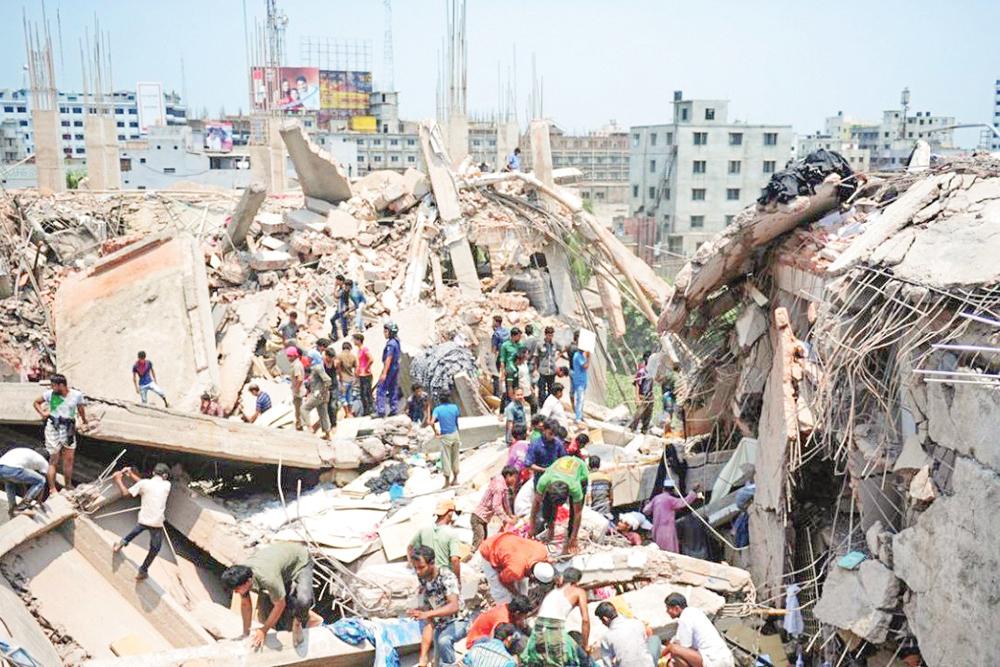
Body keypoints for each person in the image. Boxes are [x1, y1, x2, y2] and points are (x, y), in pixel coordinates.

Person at [221, 543, 319, 648]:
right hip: (279, 565)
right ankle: (284, 624)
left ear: (249, 581)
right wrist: (246, 633)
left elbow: (280, 605)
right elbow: (245, 604)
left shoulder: (268, 579)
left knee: (304, 600)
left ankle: (298, 623)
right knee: (277, 601)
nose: (235, 592)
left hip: (300, 560)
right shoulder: (241, 574)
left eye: (237, 589)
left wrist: (264, 630)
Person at [409, 544, 469, 667]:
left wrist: (427, 613)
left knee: (443, 641)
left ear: (432, 563)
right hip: (440, 625)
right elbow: (428, 623)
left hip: (459, 621)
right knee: (437, 663)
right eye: (416, 568)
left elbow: (454, 606)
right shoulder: (424, 580)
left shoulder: (446, 577)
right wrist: (423, 657)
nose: (418, 571)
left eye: (421, 567)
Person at [112, 463, 171, 581]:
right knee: (155, 548)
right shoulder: (167, 485)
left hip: (144, 519)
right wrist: (132, 475)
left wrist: (118, 480)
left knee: (137, 529)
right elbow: (146, 485)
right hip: (156, 522)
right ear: (165, 476)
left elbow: (127, 493)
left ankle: (121, 544)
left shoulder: (144, 484)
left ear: (153, 473)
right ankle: (143, 570)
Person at [33, 374, 88, 493]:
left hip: (68, 428)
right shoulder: (50, 394)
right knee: (54, 459)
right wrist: (43, 413)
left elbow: (80, 409)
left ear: (61, 385)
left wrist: (84, 420)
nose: (52, 388)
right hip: (53, 428)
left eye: (54, 386)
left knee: (69, 459)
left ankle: (68, 485)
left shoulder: (76, 395)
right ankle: (52, 489)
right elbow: (36, 402)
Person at [530, 568, 590, 663]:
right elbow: (585, 620)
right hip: (554, 633)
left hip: (537, 634)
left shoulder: (552, 593)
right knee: (585, 660)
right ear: (577, 581)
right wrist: (586, 645)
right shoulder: (578, 591)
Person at [531, 455, 588, 554]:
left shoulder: (575, 487)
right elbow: (536, 502)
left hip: (580, 469)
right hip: (560, 464)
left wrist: (574, 538)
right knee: (547, 506)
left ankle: (570, 537)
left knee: (573, 513)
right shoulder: (544, 481)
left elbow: (578, 513)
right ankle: (550, 529)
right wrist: (532, 525)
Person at [663, 593, 735, 667]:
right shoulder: (695, 612)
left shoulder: (685, 617)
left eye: (668, 608)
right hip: (726, 658)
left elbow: (682, 647)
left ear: (676, 609)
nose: (667, 611)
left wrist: (661, 656)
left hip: (713, 660)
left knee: (674, 650)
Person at [478, 532, 551, 604]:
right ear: (533, 575)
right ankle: (505, 609)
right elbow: (503, 580)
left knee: (522, 582)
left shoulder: (542, 551)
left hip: (508, 542)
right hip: (489, 548)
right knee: (502, 593)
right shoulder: (516, 570)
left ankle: (523, 603)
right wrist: (517, 595)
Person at [408, 499, 463, 579]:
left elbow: (410, 548)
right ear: (450, 513)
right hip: (444, 576)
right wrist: (457, 579)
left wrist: (415, 566)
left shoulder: (424, 529)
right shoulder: (452, 534)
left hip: (427, 575)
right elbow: (454, 559)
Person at [595, 601, 660, 667]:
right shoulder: (637, 623)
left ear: (605, 619)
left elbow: (607, 664)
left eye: (601, 621)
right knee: (655, 639)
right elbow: (645, 643)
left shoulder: (606, 638)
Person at [643, 479, 699, 553]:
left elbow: (645, 511)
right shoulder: (670, 500)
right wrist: (693, 491)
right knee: (670, 551)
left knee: (659, 550)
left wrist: (648, 504)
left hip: (656, 530)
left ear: (663, 488)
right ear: (673, 490)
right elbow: (684, 502)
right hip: (667, 530)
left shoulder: (656, 498)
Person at [471, 465, 519, 549]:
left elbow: (505, 502)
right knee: (479, 542)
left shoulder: (502, 484)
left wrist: (510, 514)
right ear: (508, 476)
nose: (515, 480)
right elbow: (496, 506)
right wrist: (508, 520)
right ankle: (469, 559)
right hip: (479, 518)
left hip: (483, 518)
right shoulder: (499, 487)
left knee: (483, 542)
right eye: (514, 477)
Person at [465, 595, 532, 648]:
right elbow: (495, 641)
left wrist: (525, 627)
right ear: (517, 613)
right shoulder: (502, 620)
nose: (524, 618)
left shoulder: (507, 607)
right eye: (524, 615)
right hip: (476, 643)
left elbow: (523, 626)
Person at [0, 447, 48, 517]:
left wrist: (25, 495)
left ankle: (12, 508)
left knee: (10, 482)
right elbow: (42, 485)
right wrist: (39, 502)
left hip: (2, 468)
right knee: (41, 480)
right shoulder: (44, 463)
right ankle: (20, 509)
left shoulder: (27, 454)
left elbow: (22, 480)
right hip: (12, 469)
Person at [524, 419, 566, 486]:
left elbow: (564, 459)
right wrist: (544, 470)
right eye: (550, 434)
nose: (553, 437)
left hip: (555, 479)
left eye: (555, 434)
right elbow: (528, 464)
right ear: (544, 430)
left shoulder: (558, 443)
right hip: (540, 479)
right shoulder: (535, 444)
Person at [432, 394, 462, 486]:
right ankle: (455, 479)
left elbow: (431, 421)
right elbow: (456, 421)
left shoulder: (437, 409)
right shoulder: (454, 407)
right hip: (455, 434)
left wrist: (435, 431)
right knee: (455, 457)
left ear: (440, 400)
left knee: (446, 458)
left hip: (445, 436)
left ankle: (447, 481)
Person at [304, 352, 334, 439]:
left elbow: (328, 380)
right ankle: (328, 434)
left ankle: (309, 428)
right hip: (321, 395)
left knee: (304, 408)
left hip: (319, 395)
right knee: (323, 414)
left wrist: (322, 391)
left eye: (309, 358)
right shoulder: (316, 367)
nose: (308, 359)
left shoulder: (317, 368)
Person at [376, 322, 402, 417]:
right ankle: (394, 409)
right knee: (393, 388)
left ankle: (381, 411)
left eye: (386, 331)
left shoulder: (390, 344)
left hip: (390, 368)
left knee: (381, 388)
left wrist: (384, 373)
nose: (384, 333)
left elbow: (388, 358)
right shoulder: (397, 341)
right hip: (395, 367)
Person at [498, 327, 524, 411]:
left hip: (517, 370)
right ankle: (503, 410)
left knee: (516, 390)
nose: (520, 338)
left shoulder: (519, 345)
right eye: (518, 336)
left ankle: (515, 408)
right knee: (508, 391)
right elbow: (502, 360)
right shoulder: (505, 345)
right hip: (509, 370)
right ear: (513, 336)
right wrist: (502, 372)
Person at [629, 351, 655, 434]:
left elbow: (651, 383)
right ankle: (632, 429)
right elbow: (637, 384)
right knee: (639, 413)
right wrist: (637, 397)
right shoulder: (642, 372)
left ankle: (644, 430)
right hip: (642, 395)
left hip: (649, 396)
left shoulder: (652, 371)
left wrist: (652, 394)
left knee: (648, 414)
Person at [536, 327, 559, 404]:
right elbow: (536, 356)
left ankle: (549, 406)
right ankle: (541, 405)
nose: (550, 337)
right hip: (543, 371)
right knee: (542, 390)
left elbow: (562, 349)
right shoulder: (540, 344)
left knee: (551, 390)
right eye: (549, 335)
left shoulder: (555, 344)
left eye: (551, 335)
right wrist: (537, 367)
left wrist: (556, 358)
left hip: (552, 371)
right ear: (545, 335)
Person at [353, 333, 374, 416]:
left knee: (366, 393)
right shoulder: (359, 350)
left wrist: (366, 368)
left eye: (354, 339)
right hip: (362, 374)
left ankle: (369, 409)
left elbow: (371, 359)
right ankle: (366, 410)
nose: (353, 341)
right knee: (363, 393)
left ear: (358, 340)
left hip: (366, 375)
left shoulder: (364, 349)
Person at [490, 315, 510, 402]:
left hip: (499, 356)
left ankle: (497, 394)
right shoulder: (506, 331)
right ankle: (508, 393)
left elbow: (494, 349)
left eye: (493, 321)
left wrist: (491, 359)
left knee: (495, 375)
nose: (492, 323)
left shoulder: (496, 334)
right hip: (507, 355)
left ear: (496, 322)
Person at [286, 347, 307, 430]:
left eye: (290, 356)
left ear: (295, 356)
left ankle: (300, 425)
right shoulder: (296, 363)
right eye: (288, 356)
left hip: (298, 391)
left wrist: (296, 389)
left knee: (298, 409)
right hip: (298, 390)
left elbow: (300, 379)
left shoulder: (296, 365)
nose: (288, 358)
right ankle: (300, 424)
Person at [336, 341, 358, 418]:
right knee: (350, 397)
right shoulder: (353, 356)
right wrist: (355, 377)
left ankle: (347, 413)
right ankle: (350, 412)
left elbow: (337, 366)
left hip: (343, 379)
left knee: (342, 397)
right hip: (351, 378)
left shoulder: (339, 356)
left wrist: (339, 376)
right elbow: (356, 367)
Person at [587, 455, 613, 520]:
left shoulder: (588, 477)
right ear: (599, 465)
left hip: (592, 511)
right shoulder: (607, 477)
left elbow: (586, 497)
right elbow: (611, 498)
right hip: (605, 510)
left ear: (589, 465)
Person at [570, 342, 590, 423]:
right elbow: (585, 366)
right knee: (580, 399)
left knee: (581, 399)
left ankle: (580, 415)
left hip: (582, 380)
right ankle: (578, 417)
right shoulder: (578, 356)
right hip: (579, 381)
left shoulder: (581, 355)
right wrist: (588, 357)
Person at [331, 275, 351, 340]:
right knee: (332, 319)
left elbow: (336, 296)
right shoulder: (341, 288)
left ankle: (346, 337)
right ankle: (334, 335)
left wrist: (334, 287)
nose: (336, 282)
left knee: (343, 325)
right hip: (339, 308)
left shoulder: (344, 288)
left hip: (343, 308)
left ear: (341, 281)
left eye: (337, 281)